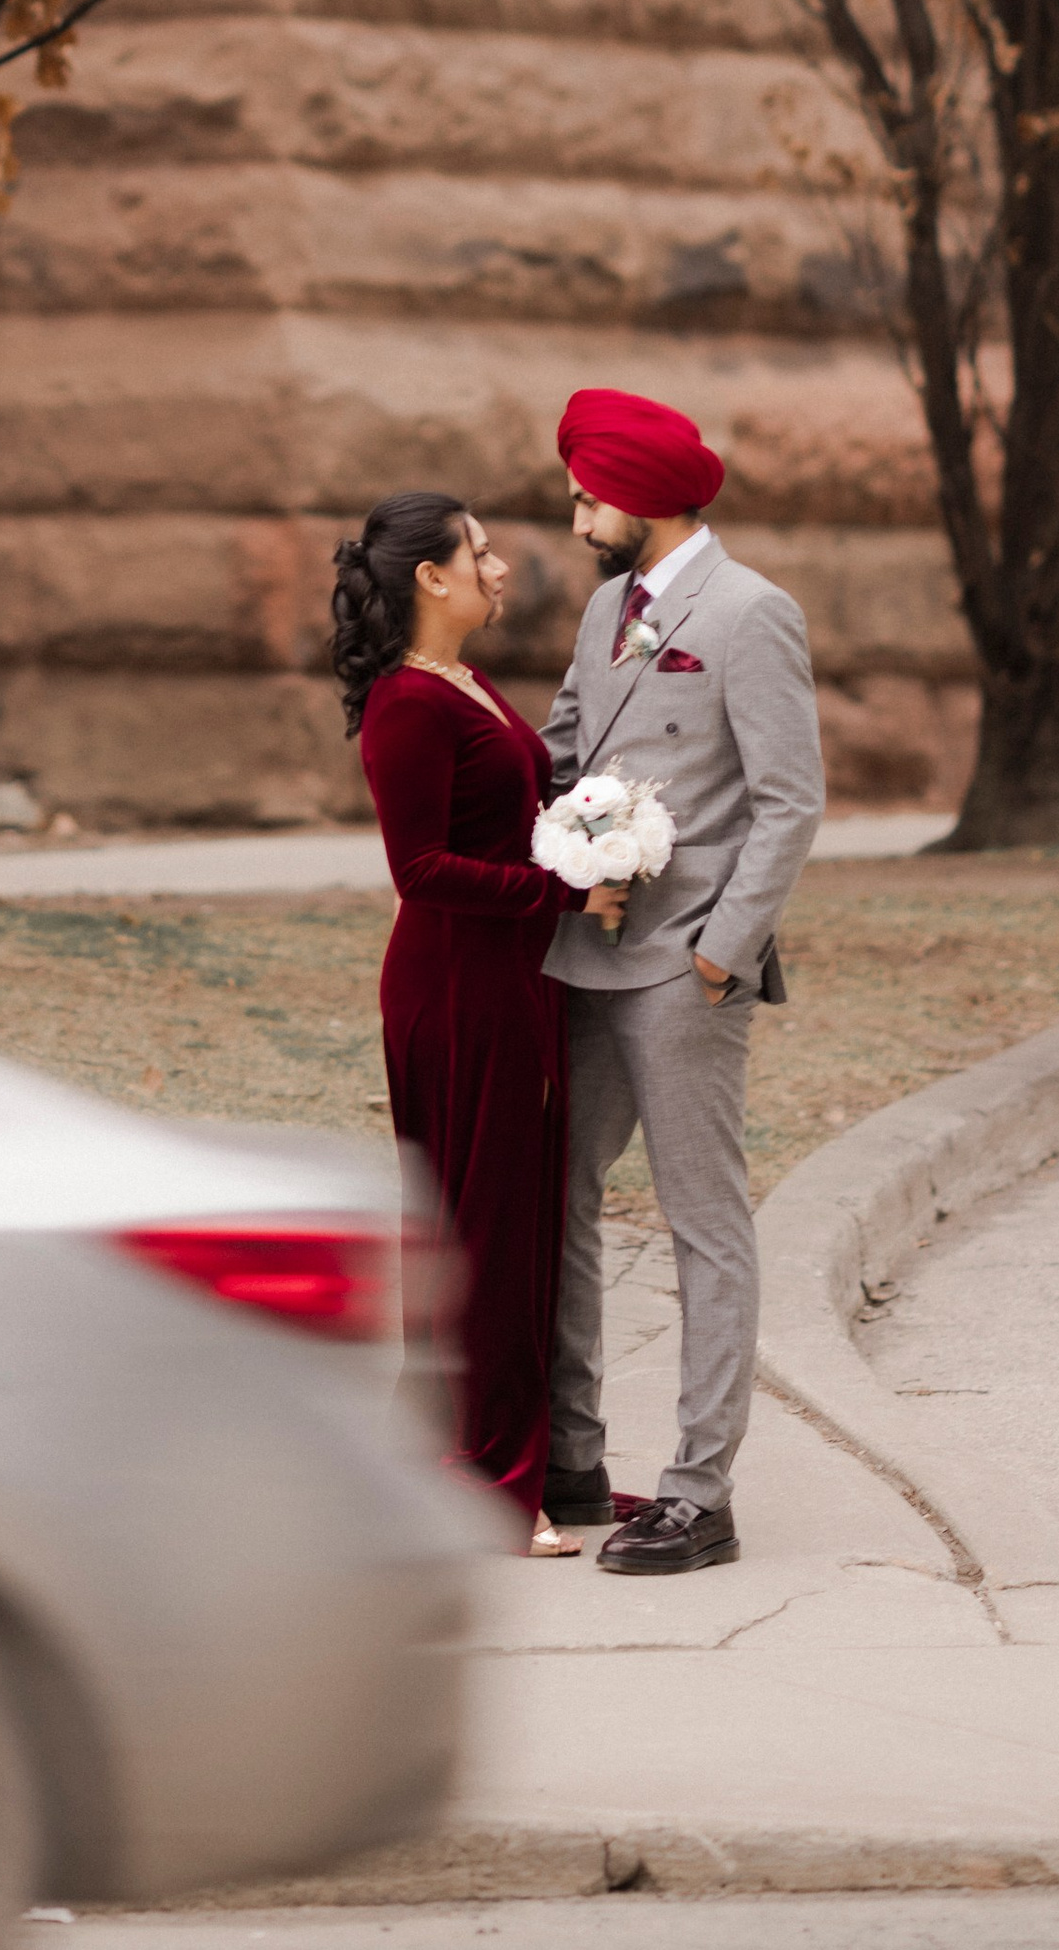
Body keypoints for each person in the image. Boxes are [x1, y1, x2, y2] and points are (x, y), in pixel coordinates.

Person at [540, 387, 826, 1574]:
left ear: (639, 496)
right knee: (557, 1195)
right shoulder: (607, 606)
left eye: (587, 496)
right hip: (589, 950)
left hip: (685, 963)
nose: (575, 519)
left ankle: (699, 1494)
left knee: (701, 1218)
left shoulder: (752, 610)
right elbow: (563, 750)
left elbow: (789, 799)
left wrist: (723, 950)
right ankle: (572, 1455)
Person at [336, 491, 627, 1550]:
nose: (501, 569)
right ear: (431, 576)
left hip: (511, 980)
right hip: (457, 991)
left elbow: (506, 820)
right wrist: (564, 892)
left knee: (506, 1228)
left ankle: (501, 1462)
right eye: (482, 552)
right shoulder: (408, 703)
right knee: (482, 1237)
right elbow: (419, 871)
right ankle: (483, 1482)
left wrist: (596, 832)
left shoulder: (462, 681)